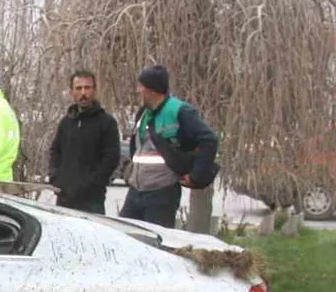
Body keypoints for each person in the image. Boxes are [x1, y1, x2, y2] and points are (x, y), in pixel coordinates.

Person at [121, 65, 220, 228]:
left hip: (162, 193)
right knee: (125, 234)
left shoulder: (179, 110)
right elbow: (137, 147)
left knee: (155, 239)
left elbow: (209, 139)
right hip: (136, 190)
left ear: (152, 90)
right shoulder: (144, 113)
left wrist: (197, 176)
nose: (138, 90)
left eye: (141, 86)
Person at [48, 70, 121, 214]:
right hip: (64, 198)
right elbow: (55, 150)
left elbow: (111, 158)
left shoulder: (106, 122)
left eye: (87, 88)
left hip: (92, 201)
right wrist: (55, 177)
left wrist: (91, 183)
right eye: (78, 88)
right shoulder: (66, 122)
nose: (83, 93)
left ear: (94, 90)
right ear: (72, 92)